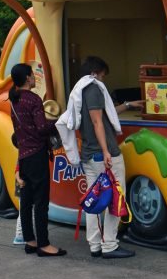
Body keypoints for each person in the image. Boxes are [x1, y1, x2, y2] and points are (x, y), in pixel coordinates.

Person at [56, 56, 145, 259]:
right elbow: (97, 121)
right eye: (103, 75)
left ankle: (95, 244)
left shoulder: (80, 90)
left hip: (89, 154)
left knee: (93, 200)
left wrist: (129, 105)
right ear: (96, 72)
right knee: (114, 196)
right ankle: (110, 244)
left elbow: (104, 114)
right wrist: (106, 151)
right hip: (103, 155)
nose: (103, 80)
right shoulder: (94, 89)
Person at [9, 63, 66, 257]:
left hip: (24, 156)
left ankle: (30, 241)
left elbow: (19, 132)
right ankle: (44, 244)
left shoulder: (14, 101)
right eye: (32, 75)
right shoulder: (32, 99)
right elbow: (41, 127)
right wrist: (59, 122)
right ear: (27, 78)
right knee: (41, 201)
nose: (34, 78)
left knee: (26, 201)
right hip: (36, 155)